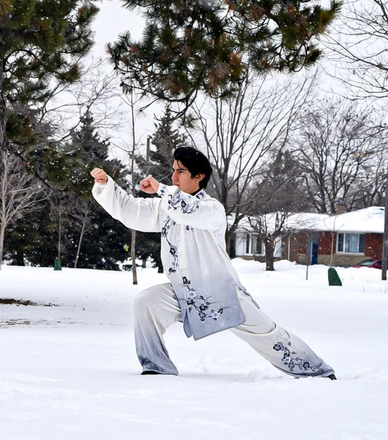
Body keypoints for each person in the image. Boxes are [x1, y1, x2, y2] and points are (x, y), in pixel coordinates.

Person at [91, 146, 336, 379]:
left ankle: (315, 370)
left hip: (220, 293)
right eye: (173, 170)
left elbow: (186, 210)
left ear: (199, 176)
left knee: (266, 333)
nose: (174, 176)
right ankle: (156, 367)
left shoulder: (211, 209)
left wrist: (162, 189)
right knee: (146, 302)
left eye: (181, 171)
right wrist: (106, 186)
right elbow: (130, 209)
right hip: (182, 291)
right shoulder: (164, 206)